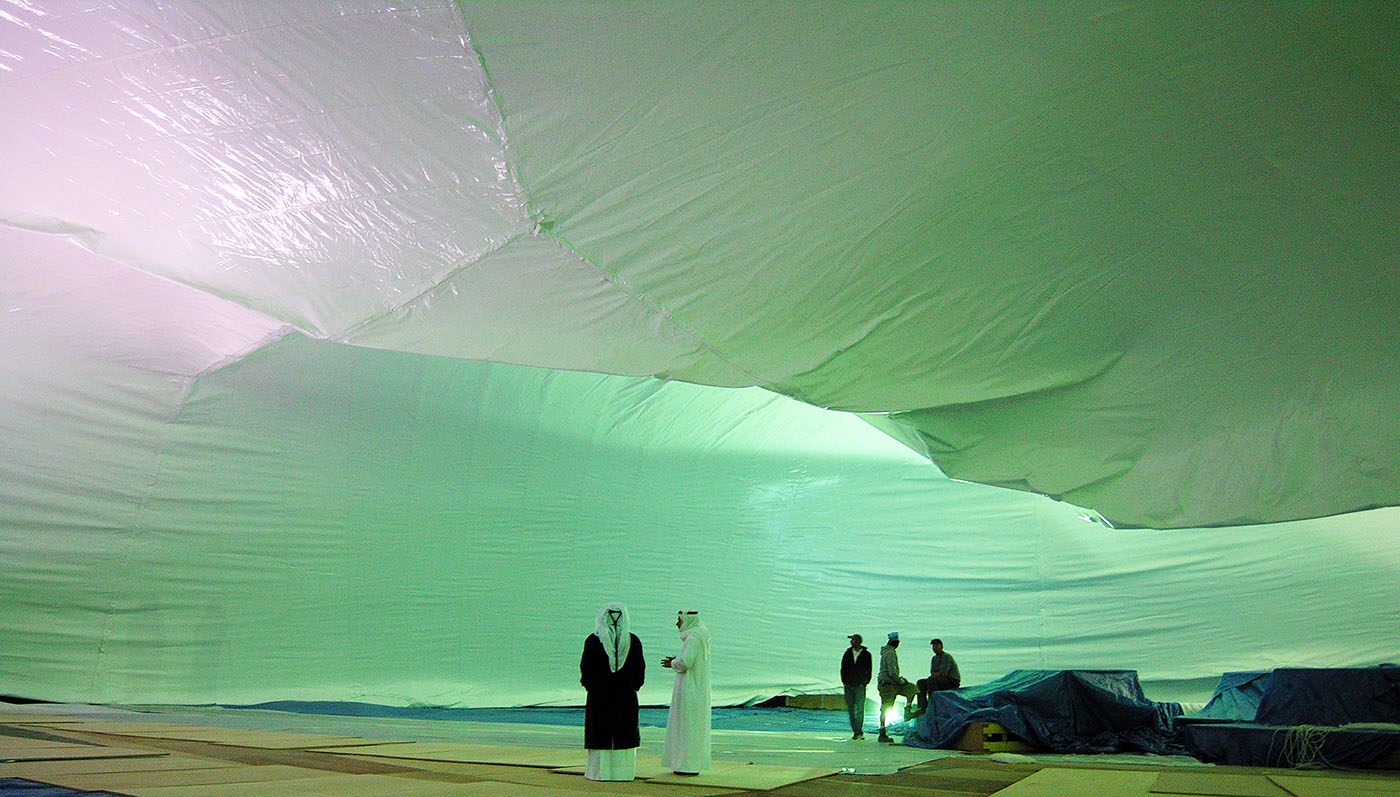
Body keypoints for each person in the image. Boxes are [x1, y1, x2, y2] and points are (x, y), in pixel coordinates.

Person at [580, 602, 645, 781]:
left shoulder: (632, 641)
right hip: (607, 695)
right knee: (604, 731)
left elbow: (639, 669)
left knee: (623, 731)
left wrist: (631, 686)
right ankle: (606, 773)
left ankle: (617, 773)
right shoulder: (594, 640)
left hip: (618, 696)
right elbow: (586, 669)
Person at [662, 610, 711, 774]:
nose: (677, 624)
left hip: (690, 688)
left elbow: (686, 662)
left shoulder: (693, 638)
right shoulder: (700, 636)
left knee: (686, 725)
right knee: (692, 726)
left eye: (680, 620)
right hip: (696, 687)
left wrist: (674, 663)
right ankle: (689, 764)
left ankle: (685, 765)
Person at [876, 631, 917, 743]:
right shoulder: (890, 653)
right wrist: (901, 681)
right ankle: (883, 732)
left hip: (888, 683)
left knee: (912, 690)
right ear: (896, 642)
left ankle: (883, 730)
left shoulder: (887, 652)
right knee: (886, 707)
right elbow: (892, 672)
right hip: (889, 684)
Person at [840, 634, 872, 739]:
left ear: (859, 641)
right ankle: (856, 731)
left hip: (859, 686)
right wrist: (844, 681)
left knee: (860, 709)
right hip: (848, 685)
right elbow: (843, 668)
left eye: (853, 640)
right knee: (851, 709)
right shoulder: (847, 653)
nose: (851, 642)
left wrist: (865, 682)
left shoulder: (866, 655)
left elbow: (869, 670)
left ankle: (858, 731)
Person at [916, 638, 961, 711]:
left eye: (937, 646)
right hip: (940, 679)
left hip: (952, 681)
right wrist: (937, 674)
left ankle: (933, 704)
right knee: (920, 682)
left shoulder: (946, 656)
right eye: (933, 646)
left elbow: (944, 673)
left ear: (941, 647)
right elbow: (932, 672)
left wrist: (936, 674)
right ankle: (922, 706)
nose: (935, 648)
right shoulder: (934, 658)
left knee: (932, 680)